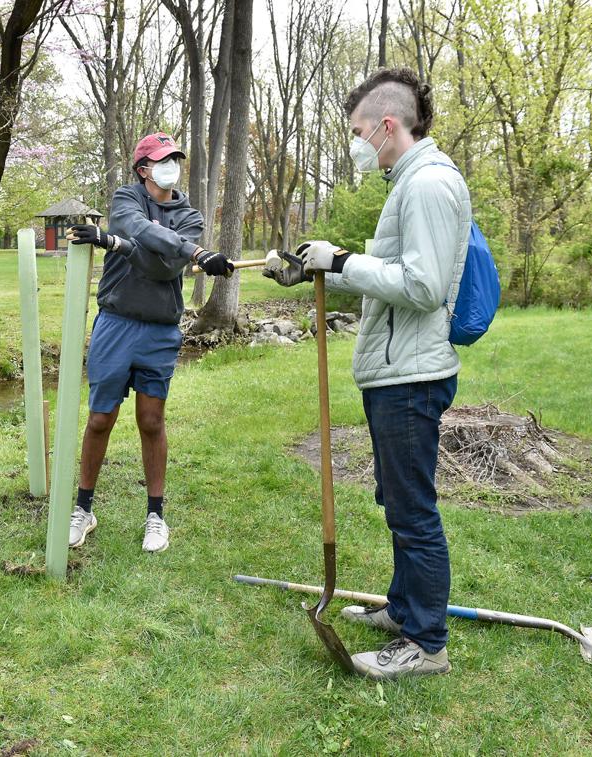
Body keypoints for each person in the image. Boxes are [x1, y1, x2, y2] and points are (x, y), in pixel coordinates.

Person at [264, 68, 472, 679]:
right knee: (398, 501)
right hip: (395, 371)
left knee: (413, 512)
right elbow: (392, 271)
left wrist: (347, 261)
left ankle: (425, 645)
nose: (354, 143)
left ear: (387, 126)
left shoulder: (429, 185)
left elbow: (424, 286)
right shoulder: (408, 181)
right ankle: (404, 609)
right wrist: (319, 267)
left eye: (358, 131)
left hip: (412, 375)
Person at [64, 132, 233, 553]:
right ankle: (84, 508)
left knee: (151, 421)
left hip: (160, 330)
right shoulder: (127, 197)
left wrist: (123, 246)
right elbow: (133, 227)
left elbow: (162, 269)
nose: (171, 165)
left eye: (175, 158)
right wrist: (185, 251)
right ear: (143, 169)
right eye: (162, 160)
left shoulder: (189, 215)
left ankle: (155, 516)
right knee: (100, 419)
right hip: (116, 324)